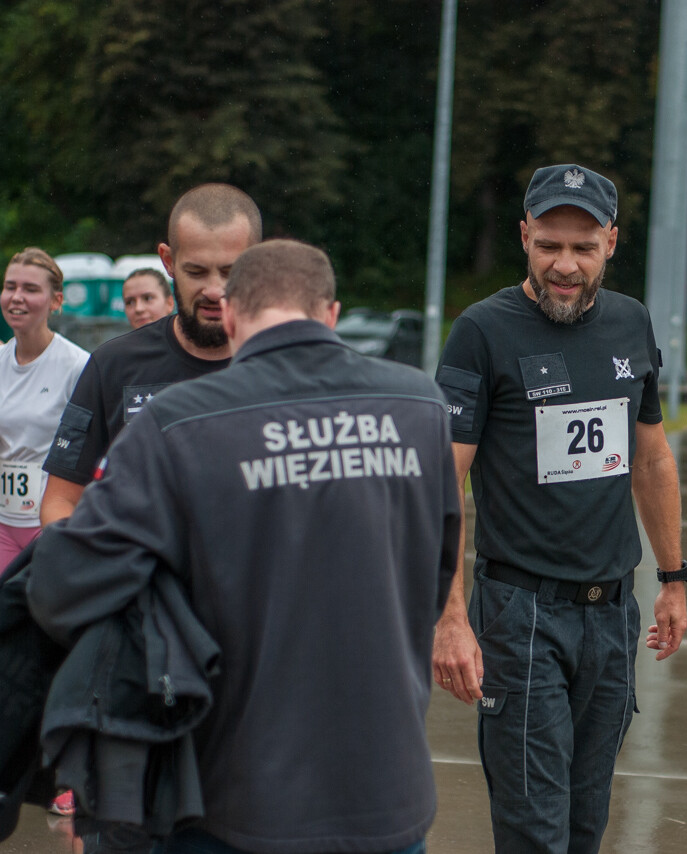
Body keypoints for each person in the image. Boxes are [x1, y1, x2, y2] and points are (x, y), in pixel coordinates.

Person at [27, 239, 459, 854]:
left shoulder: (178, 421)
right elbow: (436, 572)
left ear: (230, 317)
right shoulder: (420, 407)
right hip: (387, 794)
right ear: (331, 315)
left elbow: (63, 584)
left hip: (232, 797)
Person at [433, 163, 687, 853]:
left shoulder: (631, 323)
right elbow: (440, 488)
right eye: (549, 244)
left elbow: (653, 459)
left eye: (583, 246)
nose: (565, 265)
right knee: (535, 832)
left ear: (612, 241)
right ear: (524, 237)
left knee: (584, 828)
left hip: (612, 616)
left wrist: (673, 578)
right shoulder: (482, 332)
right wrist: (451, 616)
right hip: (522, 616)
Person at [41, 183, 260, 526]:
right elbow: (60, 501)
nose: (214, 290)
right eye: (196, 272)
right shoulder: (113, 365)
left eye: (231, 272)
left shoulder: (285, 366)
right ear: (168, 262)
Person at [0, 249, 89, 571]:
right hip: (3, 524)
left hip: (49, 523)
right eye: (10, 287)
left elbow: (92, 450)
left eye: (31, 289)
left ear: (56, 301)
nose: (16, 297)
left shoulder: (78, 366)